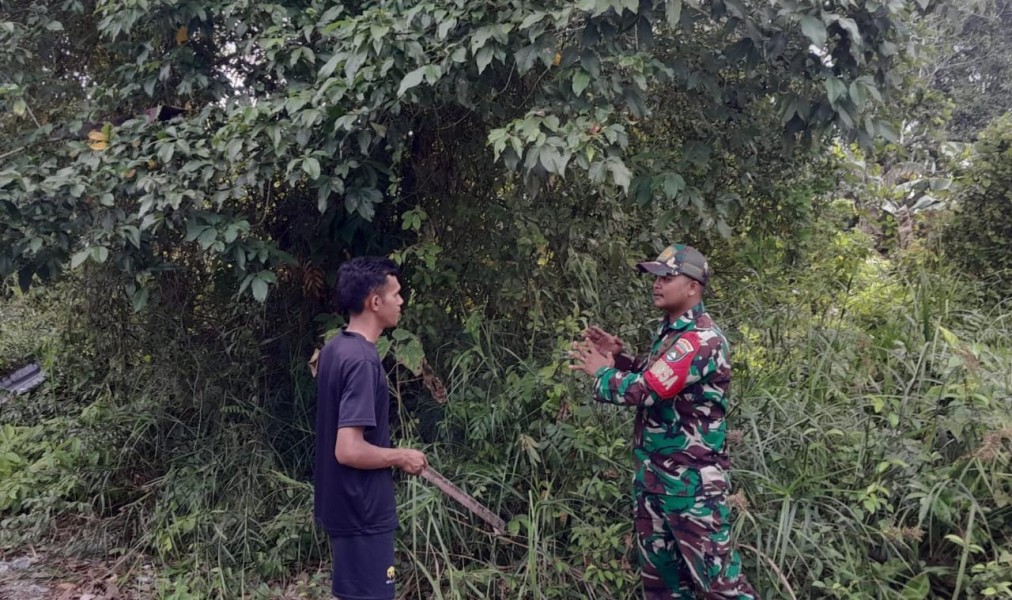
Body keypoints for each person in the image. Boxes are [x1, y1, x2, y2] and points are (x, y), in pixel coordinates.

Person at [569, 244, 759, 600]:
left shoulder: (701, 340)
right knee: (664, 590)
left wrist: (603, 373)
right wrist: (621, 358)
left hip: (691, 491)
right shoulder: (672, 335)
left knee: (721, 590)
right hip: (656, 484)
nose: (657, 283)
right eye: (656, 276)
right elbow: (657, 376)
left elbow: (647, 391)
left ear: (693, 286)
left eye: (668, 276)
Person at [314, 256, 428, 600]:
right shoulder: (363, 361)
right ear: (374, 302)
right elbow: (348, 449)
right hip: (362, 510)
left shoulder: (336, 348)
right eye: (396, 294)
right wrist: (401, 456)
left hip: (343, 506)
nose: (401, 301)